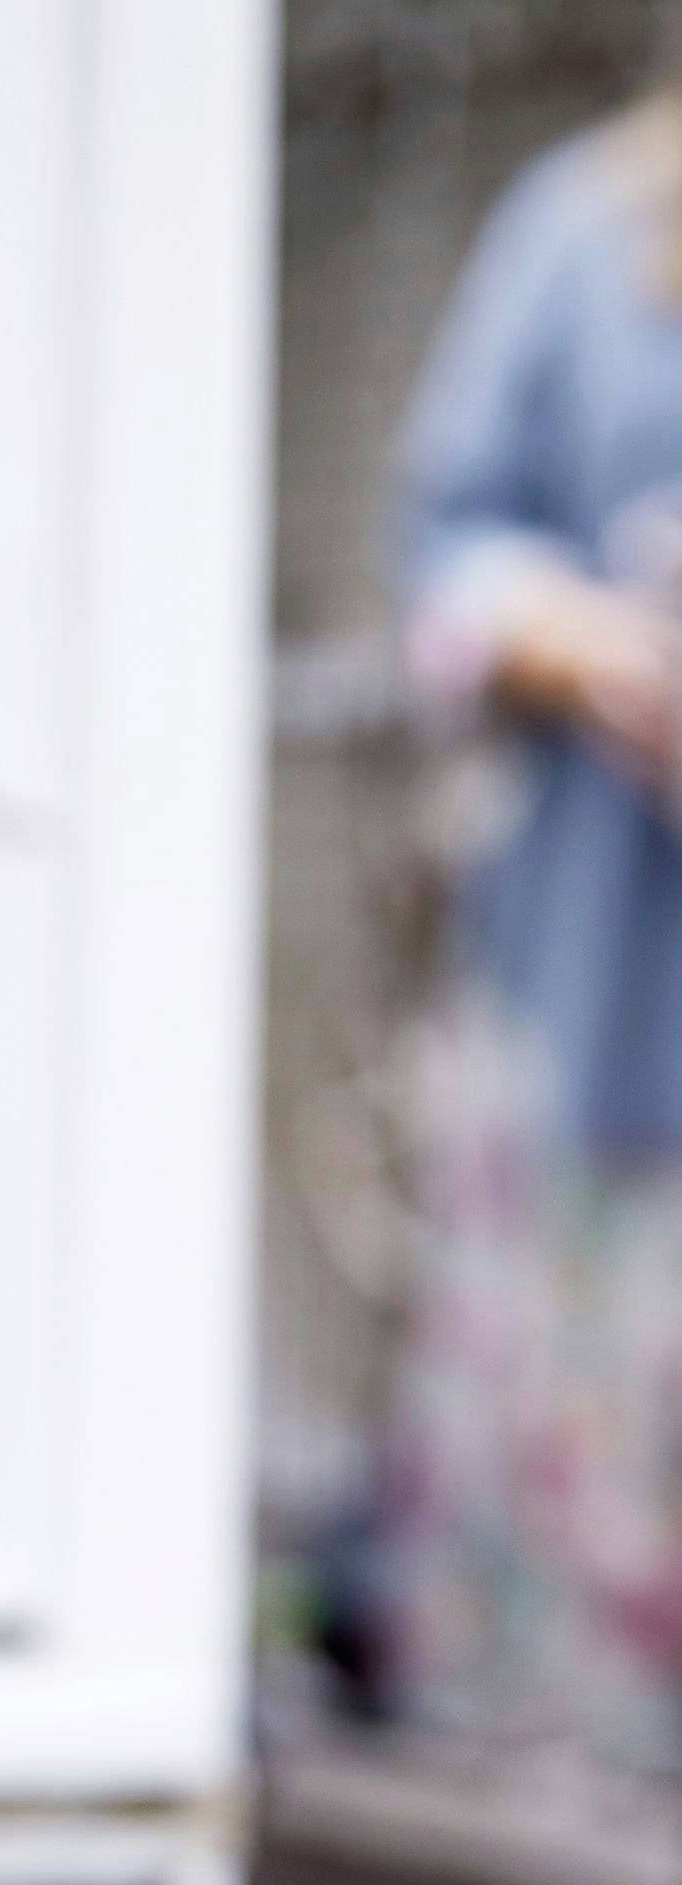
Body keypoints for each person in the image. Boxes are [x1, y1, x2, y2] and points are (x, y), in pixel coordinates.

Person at [387, 83, 682, 1761]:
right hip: (600, 949)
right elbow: (444, 536)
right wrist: (577, 636)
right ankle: (558, 1770)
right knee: (582, 1373)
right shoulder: (589, 219)